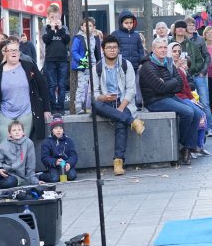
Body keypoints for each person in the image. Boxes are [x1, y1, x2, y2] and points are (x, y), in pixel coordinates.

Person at [139, 38, 203, 163]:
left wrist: (168, 83)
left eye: (164, 47)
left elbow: (180, 85)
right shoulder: (148, 66)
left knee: (197, 113)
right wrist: (172, 82)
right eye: (160, 48)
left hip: (170, 96)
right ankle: (185, 145)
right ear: (153, 50)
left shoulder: (168, 63)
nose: (163, 50)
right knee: (188, 112)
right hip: (155, 101)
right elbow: (160, 87)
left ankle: (187, 147)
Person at [91, 34, 145, 176]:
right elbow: (94, 92)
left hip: (123, 102)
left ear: (119, 49)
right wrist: (102, 97)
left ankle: (118, 161)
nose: (112, 50)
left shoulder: (126, 65)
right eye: (109, 47)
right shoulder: (97, 68)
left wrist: (121, 107)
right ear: (103, 50)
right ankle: (133, 122)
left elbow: (131, 89)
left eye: (115, 47)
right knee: (95, 105)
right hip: (105, 103)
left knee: (120, 122)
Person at [0, 40, 51, 149]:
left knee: (22, 147)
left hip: (26, 112)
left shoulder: (29, 67)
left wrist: (46, 109)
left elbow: (43, 87)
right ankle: (6, 166)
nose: (14, 53)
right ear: (5, 53)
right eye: (11, 50)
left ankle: (21, 166)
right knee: (4, 146)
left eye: (16, 50)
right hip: (5, 112)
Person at [170, 42, 210, 154]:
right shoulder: (169, 66)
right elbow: (177, 86)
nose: (177, 54)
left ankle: (197, 145)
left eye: (179, 51)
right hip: (176, 97)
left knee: (201, 113)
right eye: (174, 51)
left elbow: (188, 86)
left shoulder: (182, 69)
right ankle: (188, 145)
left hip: (184, 96)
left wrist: (191, 98)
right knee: (194, 113)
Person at [174, 21, 212, 134]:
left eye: (183, 27)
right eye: (178, 27)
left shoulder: (192, 44)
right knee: (186, 103)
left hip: (195, 76)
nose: (180, 29)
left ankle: (208, 128)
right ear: (175, 30)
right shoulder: (169, 44)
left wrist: (195, 70)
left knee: (204, 102)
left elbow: (201, 60)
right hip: (179, 77)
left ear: (185, 30)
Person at [0, 120, 38, 189]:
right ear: (9, 134)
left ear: (23, 132)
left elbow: (30, 164)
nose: (17, 132)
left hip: (17, 175)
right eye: (14, 130)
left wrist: (34, 181)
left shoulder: (28, 143)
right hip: (2, 171)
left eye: (19, 130)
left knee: (9, 183)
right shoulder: (4, 143)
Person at [42, 12, 71, 113]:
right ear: (48, 18)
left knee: (62, 85)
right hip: (50, 60)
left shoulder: (64, 28)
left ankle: (61, 107)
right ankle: (53, 107)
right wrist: (52, 29)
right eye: (52, 17)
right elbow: (46, 40)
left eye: (57, 17)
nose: (54, 19)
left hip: (63, 60)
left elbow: (67, 40)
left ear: (60, 18)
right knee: (52, 85)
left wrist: (60, 28)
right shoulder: (46, 28)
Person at [71, 18, 101, 113]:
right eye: (86, 25)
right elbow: (74, 51)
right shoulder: (78, 38)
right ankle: (79, 106)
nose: (88, 28)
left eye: (91, 26)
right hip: (83, 66)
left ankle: (91, 105)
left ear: (94, 28)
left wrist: (99, 64)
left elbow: (98, 53)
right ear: (82, 27)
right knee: (82, 85)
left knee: (94, 86)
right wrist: (82, 60)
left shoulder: (96, 38)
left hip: (94, 65)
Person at [39, 116, 78, 182]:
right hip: (53, 166)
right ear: (52, 130)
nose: (58, 130)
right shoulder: (47, 142)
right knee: (54, 178)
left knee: (72, 176)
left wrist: (69, 163)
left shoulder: (69, 141)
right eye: (56, 128)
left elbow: (74, 155)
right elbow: (44, 158)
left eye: (60, 128)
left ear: (63, 130)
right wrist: (55, 162)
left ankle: (62, 173)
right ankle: (40, 175)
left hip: (65, 165)